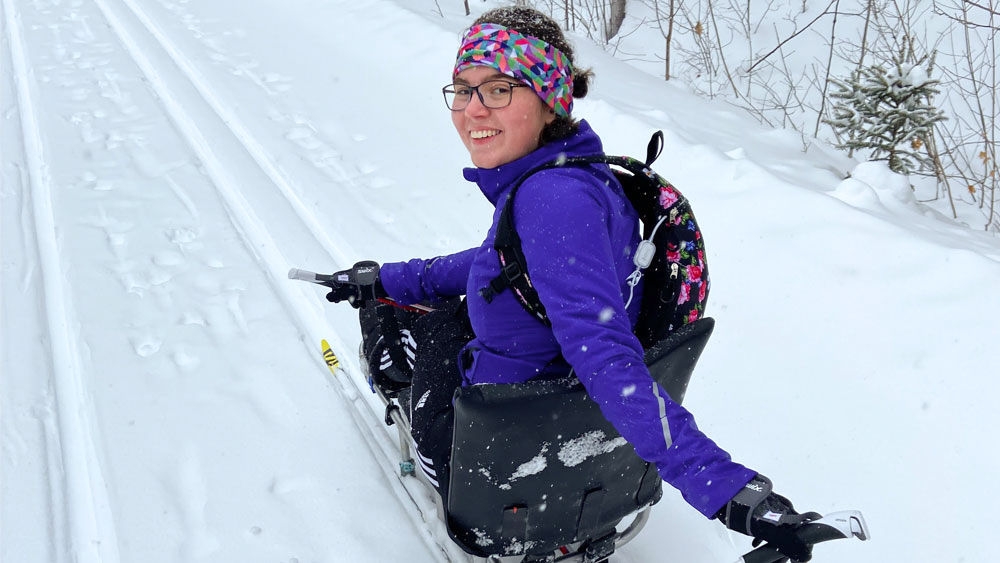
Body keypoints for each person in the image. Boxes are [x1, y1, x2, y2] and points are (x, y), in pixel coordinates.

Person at [326, 7, 819, 562]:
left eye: (498, 88)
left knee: (426, 326)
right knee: (439, 303)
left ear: (549, 99)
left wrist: (730, 492)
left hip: (499, 460)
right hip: (558, 421)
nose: (471, 110)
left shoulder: (549, 198)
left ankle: (413, 415)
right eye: (462, 90)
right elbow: (500, 263)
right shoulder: (576, 175)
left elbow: (606, 354)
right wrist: (394, 276)